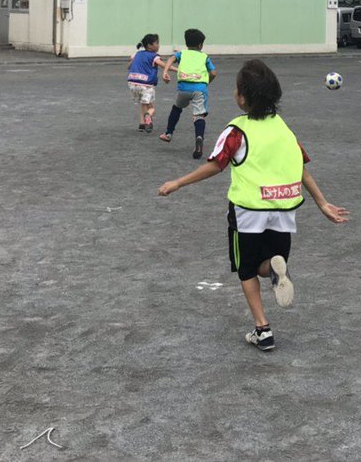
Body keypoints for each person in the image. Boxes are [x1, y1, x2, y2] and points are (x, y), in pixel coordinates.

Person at [157, 59, 348, 351]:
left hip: (248, 211)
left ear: (242, 98)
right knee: (266, 262)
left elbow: (215, 165)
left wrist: (178, 183)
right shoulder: (284, 130)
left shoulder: (236, 131)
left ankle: (263, 329)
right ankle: (275, 268)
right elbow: (302, 168)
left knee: (246, 269)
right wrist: (322, 203)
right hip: (284, 209)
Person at [159, 28, 216, 159]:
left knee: (177, 108)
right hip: (199, 89)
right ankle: (199, 138)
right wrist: (206, 82)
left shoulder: (181, 54)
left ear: (186, 43)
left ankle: (168, 133)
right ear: (201, 45)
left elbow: (170, 60)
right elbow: (213, 73)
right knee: (199, 115)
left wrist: (165, 72)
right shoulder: (204, 56)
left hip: (183, 88)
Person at [127, 33, 164, 133]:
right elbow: (164, 65)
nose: (158, 45)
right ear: (149, 45)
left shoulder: (137, 54)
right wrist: (177, 69)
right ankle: (148, 116)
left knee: (143, 104)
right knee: (151, 108)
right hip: (146, 84)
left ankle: (142, 124)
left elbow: (129, 66)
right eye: (157, 43)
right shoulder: (154, 56)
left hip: (132, 83)